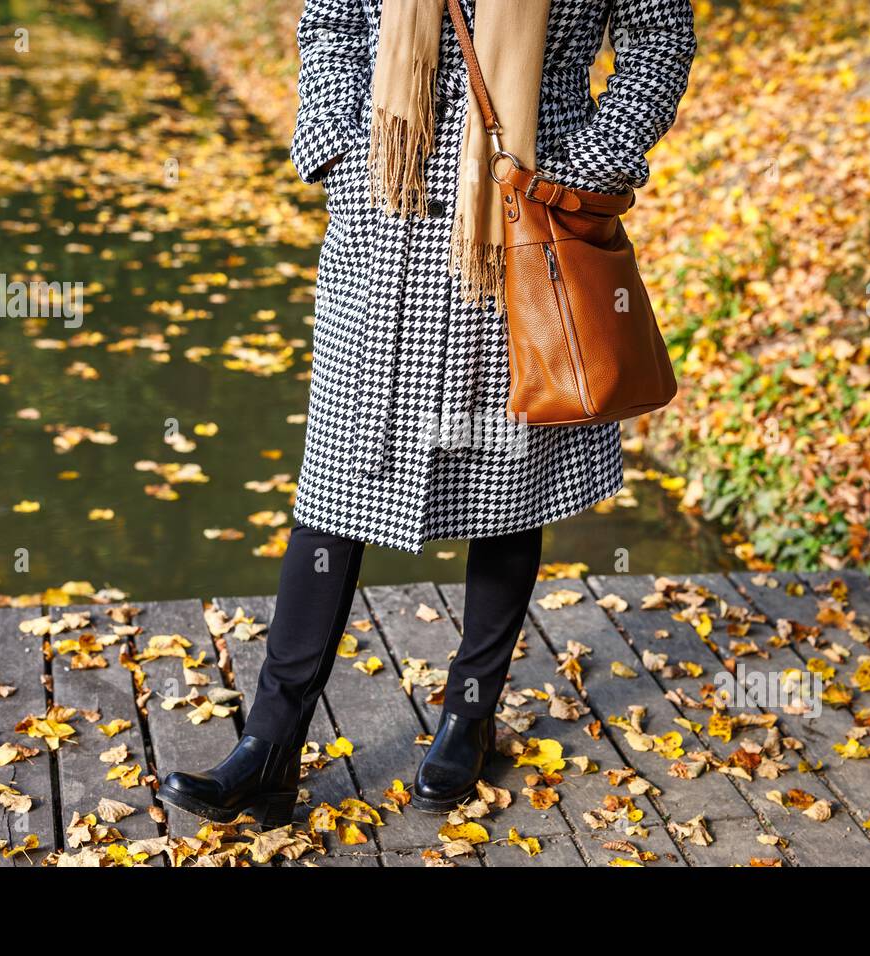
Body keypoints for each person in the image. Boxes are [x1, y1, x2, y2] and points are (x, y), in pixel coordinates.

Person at [159, 0, 697, 827]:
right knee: (335, 482)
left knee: (510, 477)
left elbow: (659, 38)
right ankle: (269, 746)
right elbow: (333, 20)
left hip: (522, 211)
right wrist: (343, 146)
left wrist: (578, 168)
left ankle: (468, 715)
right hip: (387, 206)